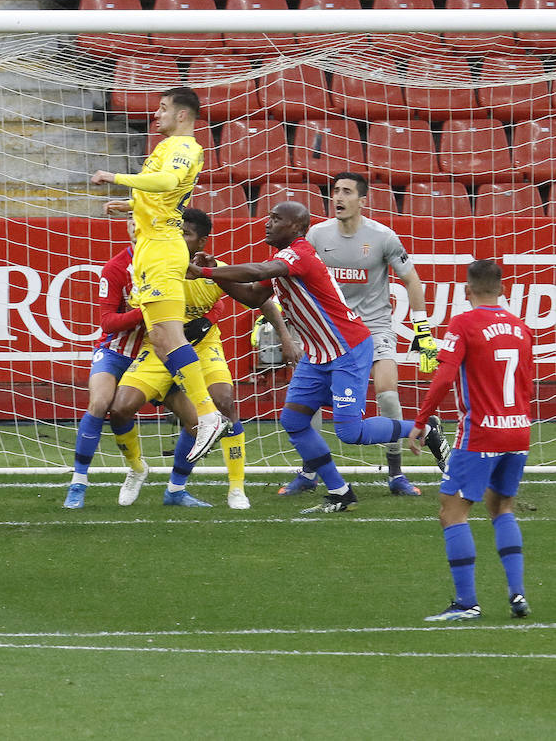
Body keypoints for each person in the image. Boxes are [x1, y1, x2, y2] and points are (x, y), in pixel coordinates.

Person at [191, 201, 448, 514]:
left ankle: (425, 430)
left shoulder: (298, 253)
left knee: (350, 432)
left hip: (347, 350)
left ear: (297, 228)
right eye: (268, 217)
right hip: (318, 354)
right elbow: (255, 296)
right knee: (294, 420)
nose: (267, 223)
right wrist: (215, 276)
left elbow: (258, 272)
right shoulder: (280, 256)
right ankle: (341, 492)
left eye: (275, 219)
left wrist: (205, 270)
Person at [106, 209, 298, 509]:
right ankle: (137, 467)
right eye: (177, 232)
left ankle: (234, 489)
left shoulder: (213, 270)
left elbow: (262, 301)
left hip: (204, 348)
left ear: (202, 241)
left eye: (187, 234)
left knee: (225, 402)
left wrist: (285, 337)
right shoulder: (156, 270)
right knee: (119, 410)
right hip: (160, 349)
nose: (179, 238)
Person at [279, 171, 440, 497]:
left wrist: (424, 334)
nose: (338, 197)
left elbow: (413, 281)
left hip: (374, 327)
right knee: (309, 404)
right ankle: (311, 471)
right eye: (335, 190)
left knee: (388, 396)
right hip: (329, 331)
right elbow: (294, 278)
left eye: (347, 192)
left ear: (362, 200)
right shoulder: (316, 235)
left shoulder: (383, 237)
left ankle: (396, 474)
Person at [91, 87, 225, 460]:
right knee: (163, 339)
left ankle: (208, 415)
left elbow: (167, 183)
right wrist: (131, 203)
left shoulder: (183, 147)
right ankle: (207, 414)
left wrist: (115, 176)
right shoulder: (166, 148)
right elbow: (163, 194)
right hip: (151, 250)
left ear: (182, 115)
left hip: (164, 251)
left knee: (169, 335)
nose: (157, 114)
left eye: (163, 108)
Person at [407, 259, 533, 622]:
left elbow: (445, 376)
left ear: (466, 291)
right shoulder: (521, 328)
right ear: (502, 290)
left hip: (481, 433)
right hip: (519, 429)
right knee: (502, 509)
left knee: (451, 512)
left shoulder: (463, 323)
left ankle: (466, 603)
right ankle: (517, 594)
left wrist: (420, 420)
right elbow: (525, 385)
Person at [63, 218, 151, 509]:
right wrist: (144, 312)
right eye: (133, 222)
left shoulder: (173, 262)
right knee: (99, 404)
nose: (138, 228)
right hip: (115, 352)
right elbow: (108, 322)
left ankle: (177, 488)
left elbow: (213, 302)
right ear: (127, 228)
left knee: (193, 418)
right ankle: (78, 481)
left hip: (156, 356)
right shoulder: (115, 268)